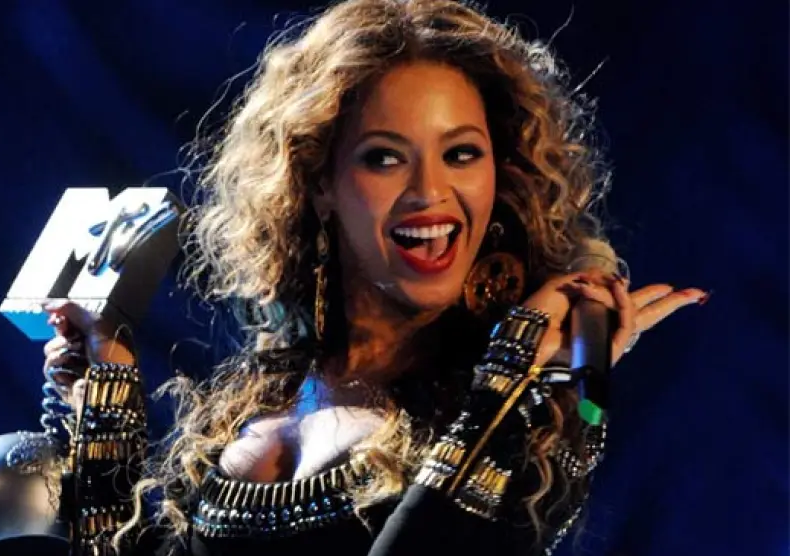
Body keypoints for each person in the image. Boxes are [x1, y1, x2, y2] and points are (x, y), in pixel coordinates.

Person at [41, 1, 708, 555]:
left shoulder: (536, 414)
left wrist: (513, 378)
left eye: (461, 154)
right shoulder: (260, 397)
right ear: (318, 182)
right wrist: (107, 395)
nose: (430, 193)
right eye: (385, 158)